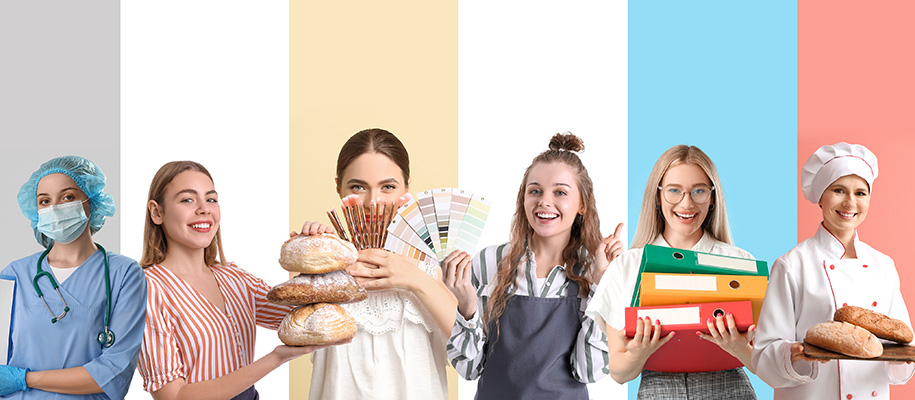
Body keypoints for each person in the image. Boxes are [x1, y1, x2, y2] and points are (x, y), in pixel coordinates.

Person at [137, 161, 338, 400]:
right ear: (157, 212)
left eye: (211, 199)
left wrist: (315, 256)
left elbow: (304, 318)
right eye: (187, 200)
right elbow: (173, 396)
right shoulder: (146, 291)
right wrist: (275, 358)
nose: (204, 209)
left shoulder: (236, 280)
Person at [444, 133, 611, 399]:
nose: (544, 201)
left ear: (582, 204)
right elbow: (468, 369)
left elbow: (588, 371)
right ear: (523, 199)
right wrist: (466, 309)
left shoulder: (594, 272)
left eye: (560, 192)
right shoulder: (488, 262)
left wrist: (603, 287)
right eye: (535, 191)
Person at [585, 144, 758, 399]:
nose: (686, 203)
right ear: (658, 196)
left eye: (698, 191)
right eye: (674, 191)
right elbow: (620, 373)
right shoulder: (627, 266)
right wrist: (638, 352)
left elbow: (765, 364)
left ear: (712, 197)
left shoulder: (740, 263)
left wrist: (740, 348)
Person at [297, 128, 458, 399]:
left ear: (407, 189)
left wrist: (413, 277)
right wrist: (310, 259)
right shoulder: (323, 270)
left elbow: (470, 350)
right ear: (339, 187)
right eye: (358, 187)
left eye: (388, 187)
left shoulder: (433, 266)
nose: (373, 202)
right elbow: (291, 333)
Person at [752, 142, 913, 399]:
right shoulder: (792, 265)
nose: (850, 202)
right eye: (839, 190)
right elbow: (764, 352)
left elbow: (904, 344)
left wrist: (903, 359)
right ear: (820, 197)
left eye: (861, 193)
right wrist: (792, 354)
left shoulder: (884, 265)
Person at [0, 156, 147, 399]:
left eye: (68, 197)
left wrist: (23, 379)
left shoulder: (124, 274)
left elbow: (113, 372)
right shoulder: (14, 274)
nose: (55, 208)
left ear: (92, 201)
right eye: (44, 201)